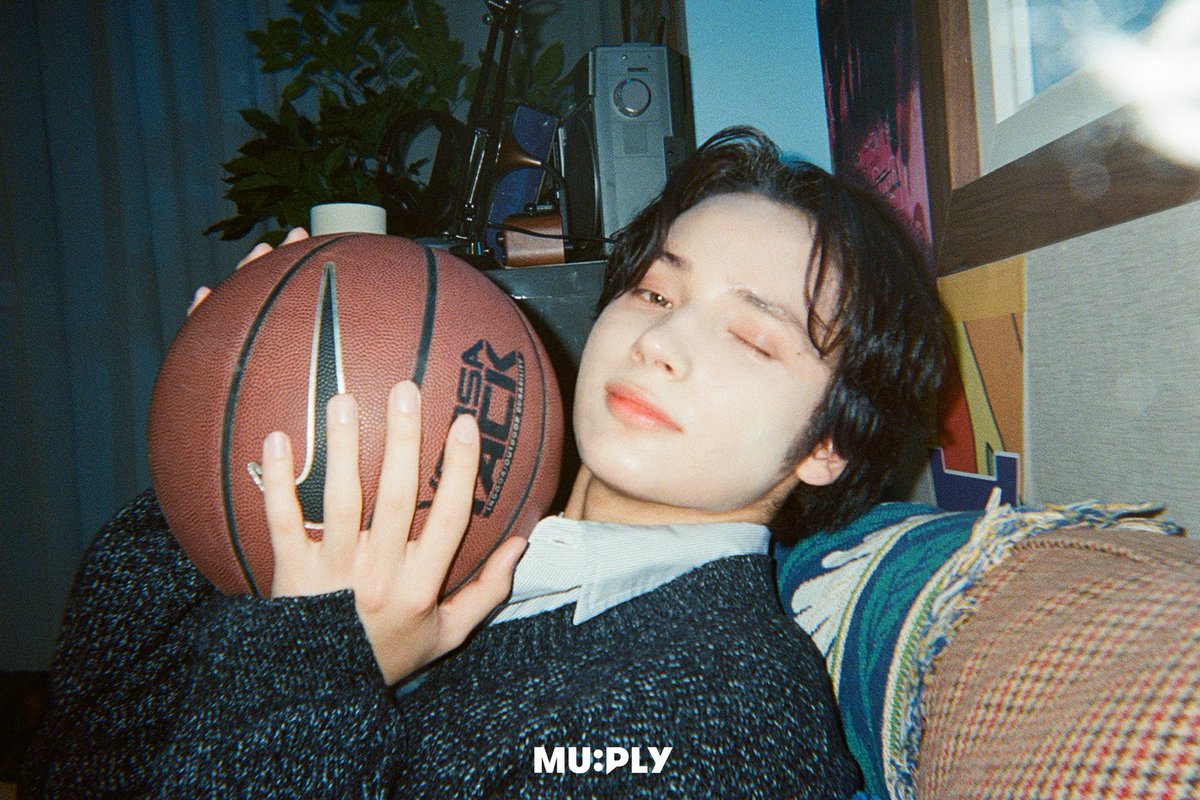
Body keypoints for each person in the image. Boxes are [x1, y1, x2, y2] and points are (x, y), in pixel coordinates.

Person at [19, 127, 943, 799]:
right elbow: (87, 765)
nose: (659, 342)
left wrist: (316, 659)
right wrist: (216, 445)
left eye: (751, 336)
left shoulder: (729, 721)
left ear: (829, 444)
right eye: (655, 290)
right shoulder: (471, 521)